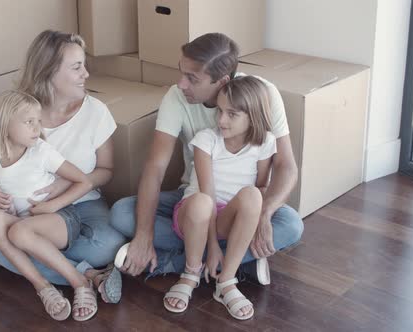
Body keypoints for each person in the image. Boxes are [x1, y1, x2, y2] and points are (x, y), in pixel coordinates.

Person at [110, 33, 304, 285]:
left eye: (193, 78)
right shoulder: (176, 97)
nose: (181, 84)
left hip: (240, 206)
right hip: (194, 199)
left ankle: (176, 263)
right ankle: (238, 259)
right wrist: (144, 235)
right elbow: (155, 168)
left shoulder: (262, 93)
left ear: (222, 81)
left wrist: (265, 215)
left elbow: (286, 166)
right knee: (121, 214)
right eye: (182, 72)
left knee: (291, 225)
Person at [0, 30, 126, 320]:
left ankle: (12, 255)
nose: (87, 74)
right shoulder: (20, 112)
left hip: (81, 203)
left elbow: (106, 171)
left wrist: (63, 190)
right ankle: (86, 275)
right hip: (24, 213)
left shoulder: (96, 111)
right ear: (49, 71)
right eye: (77, 66)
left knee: (107, 245)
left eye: (84, 65)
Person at [0, 90, 96, 321]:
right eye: (29, 122)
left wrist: (53, 206)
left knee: (20, 231)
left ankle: (80, 282)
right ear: (4, 124)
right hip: (22, 223)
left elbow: (85, 181)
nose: (37, 128)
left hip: (59, 219)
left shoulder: (41, 152)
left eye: (38, 121)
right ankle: (43, 287)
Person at [164, 76, 276, 320]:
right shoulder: (206, 140)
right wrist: (213, 247)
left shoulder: (266, 142)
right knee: (203, 202)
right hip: (194, 213)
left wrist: (260, 221)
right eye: (220, 111)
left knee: (254, 195)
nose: (221, 120)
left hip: (229, 218)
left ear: (253, 116)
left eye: (232, 114)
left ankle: (226, 280)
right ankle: (191, 273)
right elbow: (208, 194)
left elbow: (261, 188)